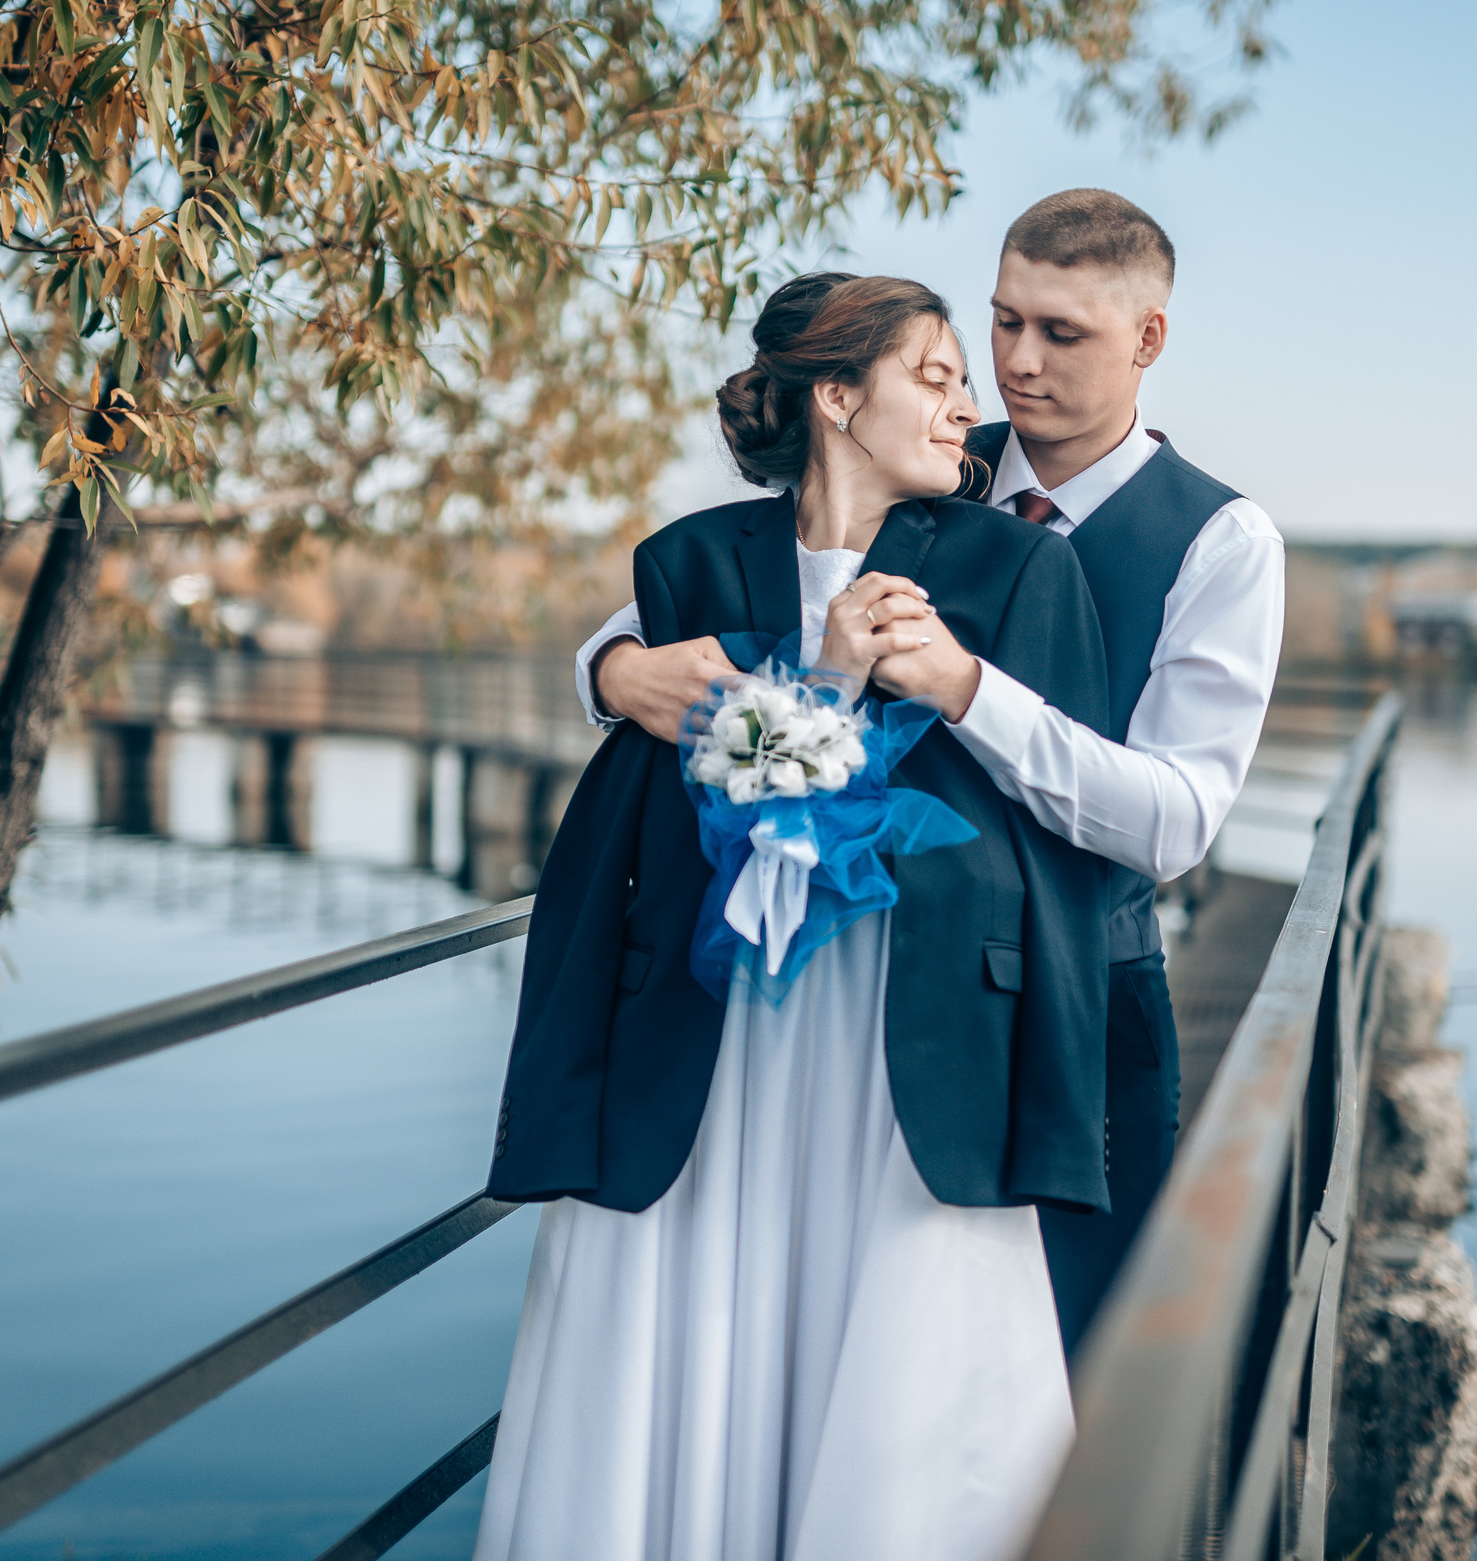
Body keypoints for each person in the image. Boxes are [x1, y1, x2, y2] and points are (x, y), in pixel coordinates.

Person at [581, 190, 1286, 1356]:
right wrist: (611, 669)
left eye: (1061, 333)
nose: (1017, 363)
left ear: (1148, 339)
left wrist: (967, 688)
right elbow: (729, 596)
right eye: (1004, 321)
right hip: (871, 1010)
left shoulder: (1221, 541)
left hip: (1082, 985)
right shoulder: (926, 452)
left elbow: (1174, 822)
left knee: (1075, 1359)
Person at [478, 275, 1114, 1561]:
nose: (967, 405)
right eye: (934, 376)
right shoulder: (687, 561)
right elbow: (648, 746)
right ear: (836, 396)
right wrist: (622, 673)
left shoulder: (1016, 565)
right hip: (717, 1019)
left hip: (910, 1027)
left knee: (899, 1331)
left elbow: (1063, 813)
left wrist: (947, 684)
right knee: (702, 1301)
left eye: (961, 381)